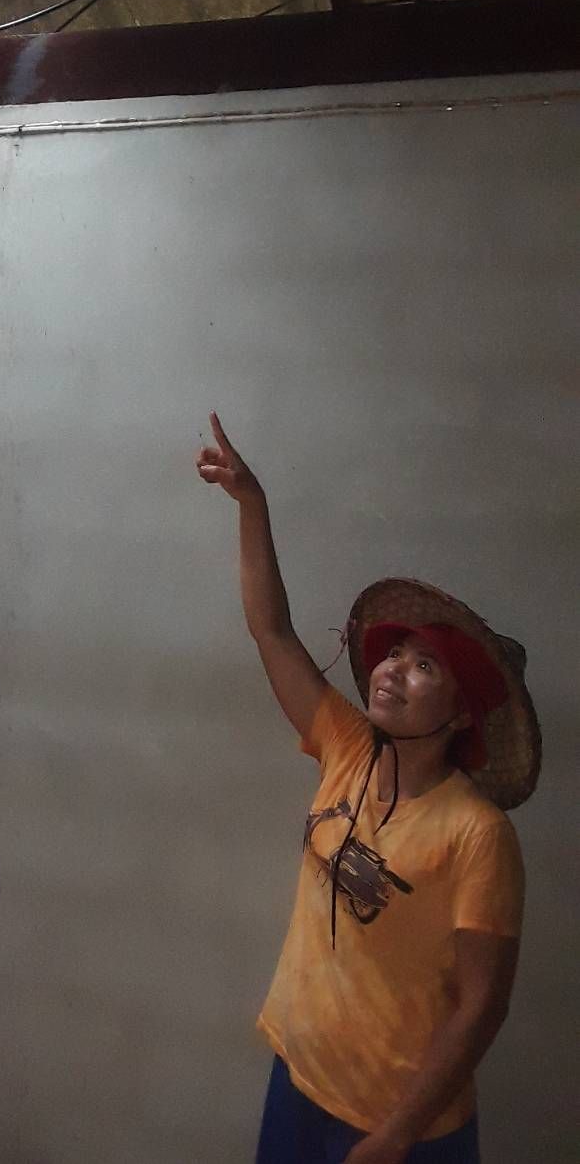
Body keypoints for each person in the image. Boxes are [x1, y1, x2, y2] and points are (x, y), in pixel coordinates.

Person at [196, 414, 541, 1164]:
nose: (392, 670)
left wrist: (395, 1136)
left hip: (402, 1130)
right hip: (299, 1082)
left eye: (424, 666)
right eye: (395, 654)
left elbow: (482, 1005)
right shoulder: (346, 746)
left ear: (461, 714)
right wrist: (252, 504)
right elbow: (272, 631)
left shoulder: (478, 833)